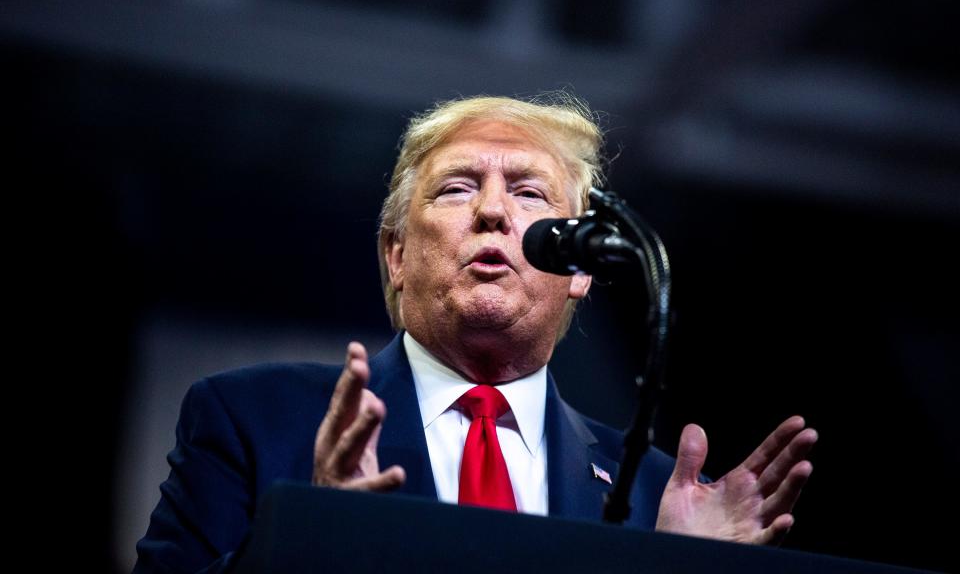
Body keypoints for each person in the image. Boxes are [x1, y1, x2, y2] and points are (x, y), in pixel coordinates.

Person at [134, 93, 817, 573]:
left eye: (528, 194)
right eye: (457, 188)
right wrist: (307, 542)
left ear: (579, 267)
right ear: (396, 256)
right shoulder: (253, 419)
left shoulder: (654, 493)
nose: (493, 210)